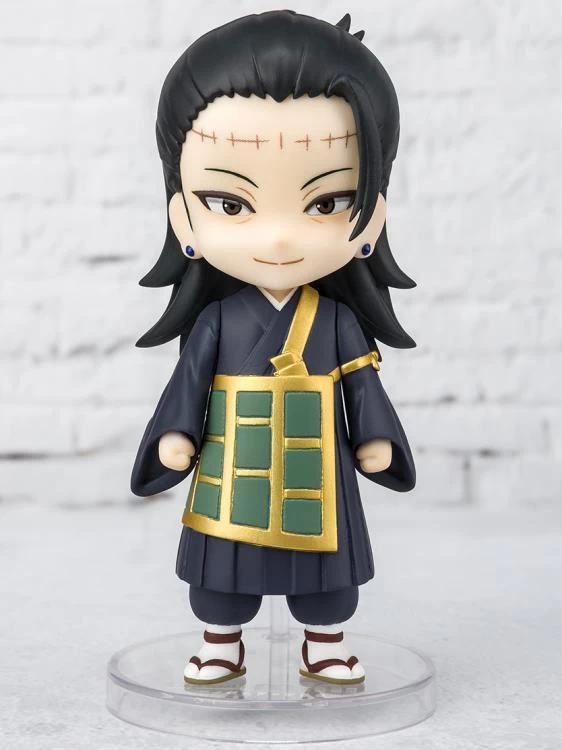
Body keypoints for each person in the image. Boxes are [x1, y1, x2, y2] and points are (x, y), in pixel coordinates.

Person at [131, 10, 417, 686]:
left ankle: (325, 641)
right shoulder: (218, 322)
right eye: (230, 203)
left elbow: (363, 390)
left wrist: (375, 438)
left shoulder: (336, 322)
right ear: (182, 215)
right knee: (222, 575)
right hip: (234, 460)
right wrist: (176, 433)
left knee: (325, 577)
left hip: (315, 463)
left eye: (327, 202)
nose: (281, 237)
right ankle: (220, 642)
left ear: (372, 212)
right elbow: (188, 387)